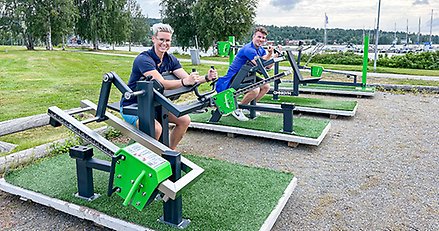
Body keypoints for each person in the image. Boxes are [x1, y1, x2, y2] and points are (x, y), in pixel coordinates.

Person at [120, 23, 218, 150]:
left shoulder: (170, 59)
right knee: (156, 129)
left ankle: (169, 152)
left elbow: (188, 78)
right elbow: (161, 83)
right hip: (133, 106)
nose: (164, 43)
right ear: (153, 39)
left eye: (167, 40)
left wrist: (206, 78)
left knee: (184, 121)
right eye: (161, 39)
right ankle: (141, 159)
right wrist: (184, 82)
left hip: (154, 104)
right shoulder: (144, 59)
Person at [215, 26, 279, 121]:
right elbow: (260, 64)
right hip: (235, 76)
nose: (261, 39)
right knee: (255, 89)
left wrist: (275, 55)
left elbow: (268, 66)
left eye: (263, 38)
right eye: (259, 37)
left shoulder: (260, 49)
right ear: (253, 37)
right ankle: (237, 110)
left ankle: (247, 107)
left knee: (266, 86)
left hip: (248, 74)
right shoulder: (249, 49)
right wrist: (270, 54)